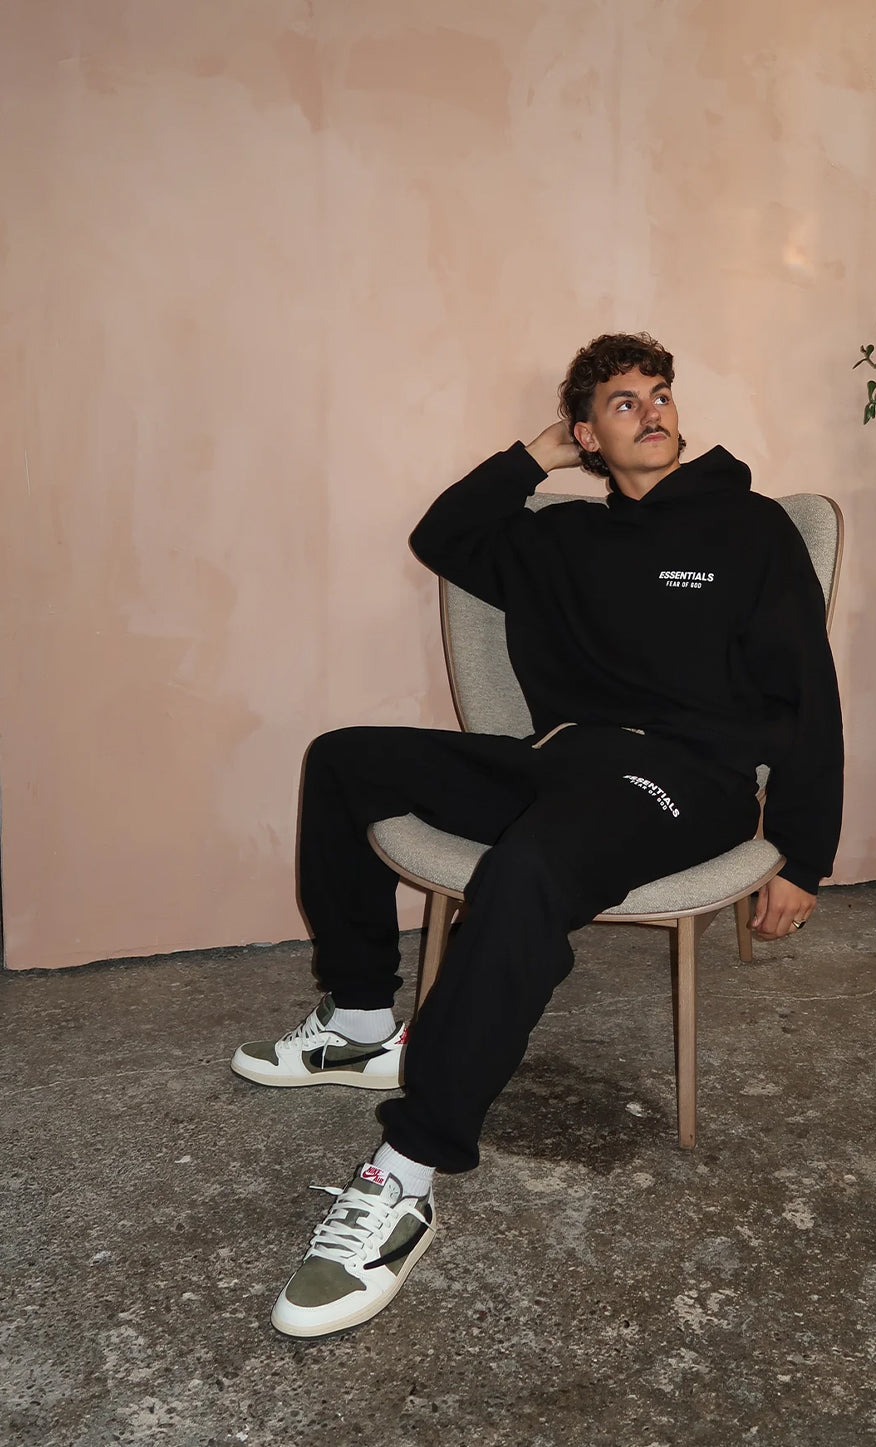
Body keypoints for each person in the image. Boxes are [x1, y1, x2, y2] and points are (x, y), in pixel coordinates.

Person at [231, 332, 844, 1338]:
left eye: (660, 394)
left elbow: (809, 690)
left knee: (527, 870)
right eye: (621, 402)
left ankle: (407, 1172)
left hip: (687, 778)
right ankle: (360, 1024)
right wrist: (536, 454)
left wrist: (805, 853)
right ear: (588, 434)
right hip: (561, 758)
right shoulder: (561, 538)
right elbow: (443, 535)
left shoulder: (750, 527)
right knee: (343, 759)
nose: (651, 411)